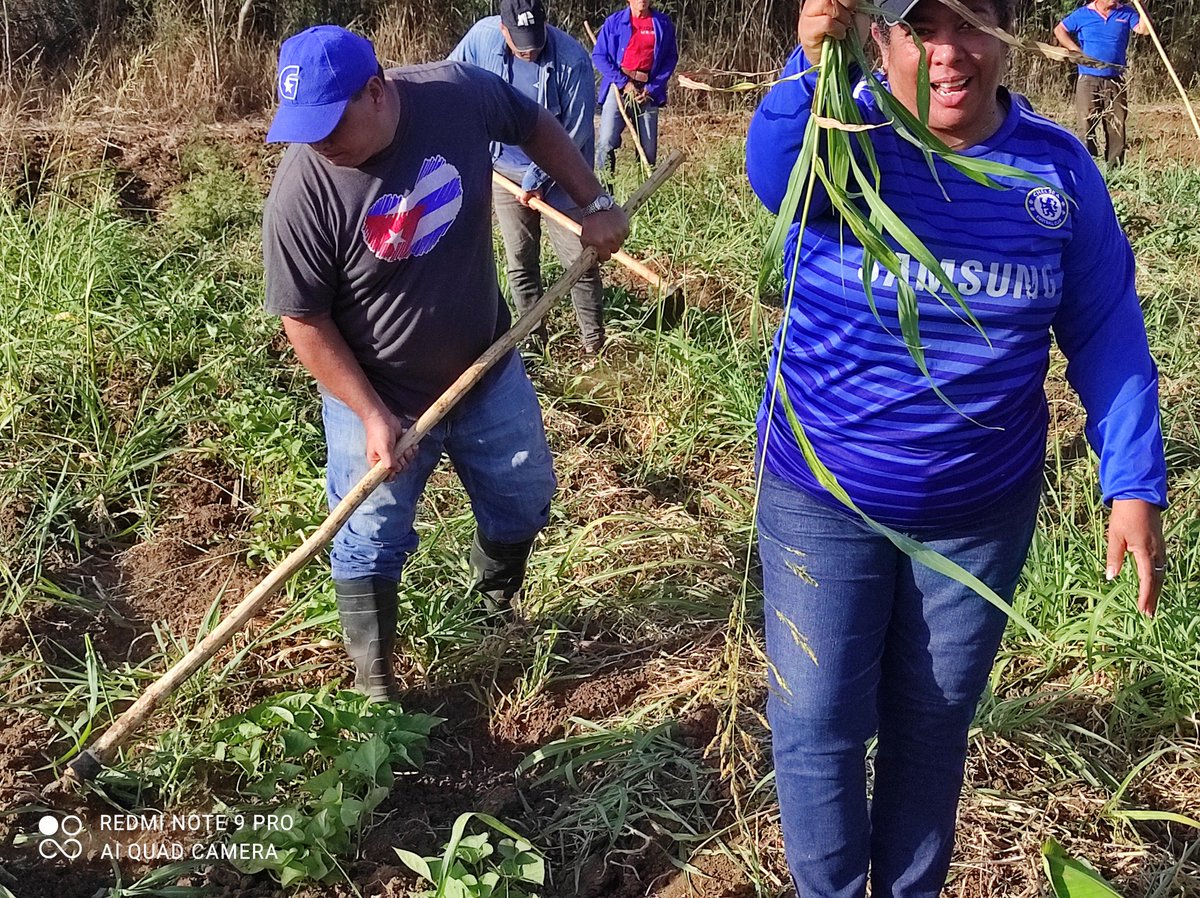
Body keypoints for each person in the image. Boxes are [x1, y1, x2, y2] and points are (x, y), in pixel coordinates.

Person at [745, 0, 1167, 894]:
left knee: (931, 723)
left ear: (1007, 33)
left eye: (970, 23)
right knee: (818, 721)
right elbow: (769, 166)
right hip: (824, 503)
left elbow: (1105, 328)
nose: (948, 53)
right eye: (920, 27)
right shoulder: (843, 133)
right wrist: (808, 55)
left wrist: (1132, 482)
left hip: (978, 514)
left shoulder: (1057, 170)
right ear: (881, 39)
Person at [261, 25, 627, 701]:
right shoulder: (303, 192)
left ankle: (488, 613)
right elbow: (303, 322)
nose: (317, 142)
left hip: (484, 368)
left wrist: (591, 200)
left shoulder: (455, 94)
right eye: (302, 128)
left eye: (329, 122)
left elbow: (531, 122)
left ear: (376, 92)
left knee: (523, 505)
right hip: (376, 393)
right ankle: (378, 698)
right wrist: (371, 414)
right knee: (368, 541)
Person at [449, 0, 606, 355]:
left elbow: (576, 133)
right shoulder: (481, 39)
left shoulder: (572, 60)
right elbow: (451, 80)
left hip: (563, 175)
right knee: (519, 259)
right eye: (521, 46)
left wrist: (537, 176)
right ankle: (533, 341)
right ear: (503, 29)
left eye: (535, 43)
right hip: (503, 169)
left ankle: (593, 345)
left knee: (578, 260)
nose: (530, 52)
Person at [1054, 0, 1150, 165]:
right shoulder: (1083, 14)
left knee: (1116, 127)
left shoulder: (1126, 13)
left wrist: (1141, 6)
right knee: (1086, 125)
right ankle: (1087, 166)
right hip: (1088, 79)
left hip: (1115, 80)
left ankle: (1115, 168)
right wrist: (1075, 50)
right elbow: (1060, 30)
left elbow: (1144, 29)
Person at [591, 0, 678, 177]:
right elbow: (599, 56)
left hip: (648, 92)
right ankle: (604, 193)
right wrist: (624, 83)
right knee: (606, 142)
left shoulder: (662, 23)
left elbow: (670, 58)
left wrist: (652, 89)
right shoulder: (614, 22)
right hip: (618, 89)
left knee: (648, 150)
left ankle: (644, 192)